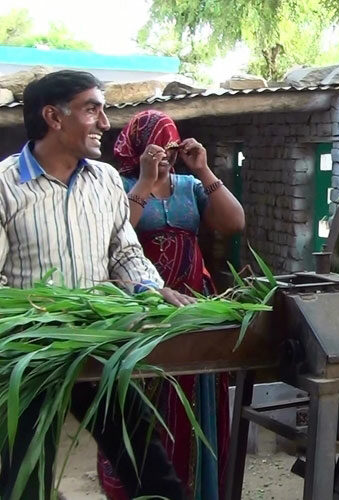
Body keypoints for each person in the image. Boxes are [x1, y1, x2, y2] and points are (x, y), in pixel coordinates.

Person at [0, 70, 194, 499]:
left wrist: (149, 287)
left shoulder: (105, 180)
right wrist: (37, 319)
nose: (106, 123)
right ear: (53, 116)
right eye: (93, 109)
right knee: (24, 479)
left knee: (151, 471)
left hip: (98, 342)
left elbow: (123, 250)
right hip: (31, 354)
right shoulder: (4, 185)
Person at [96, 110, 246, 499]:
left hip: (191, 308)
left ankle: (193, 487)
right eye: (158, 146)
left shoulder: (187, 186)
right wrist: (145, 182)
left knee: (194, 396)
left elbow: (234, 222)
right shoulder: (117, 186)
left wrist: (205, 172)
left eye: (172, 145)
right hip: (142, 311)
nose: (167, 156)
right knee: (147, 401)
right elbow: (116, 235)